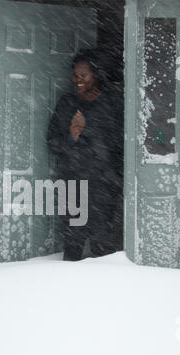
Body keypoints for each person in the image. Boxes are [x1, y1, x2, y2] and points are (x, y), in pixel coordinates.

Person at [47, 50, 123, 261]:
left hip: (103, 184)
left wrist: (115, 176)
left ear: (96, 75)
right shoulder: (67, 104)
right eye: (75, 75)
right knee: (73, 241)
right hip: (73, 182)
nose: (78, 80)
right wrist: (73, 134)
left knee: (101, 243)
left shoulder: (112, 104)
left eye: (84, 75)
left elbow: (121, 144)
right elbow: (52, 142)